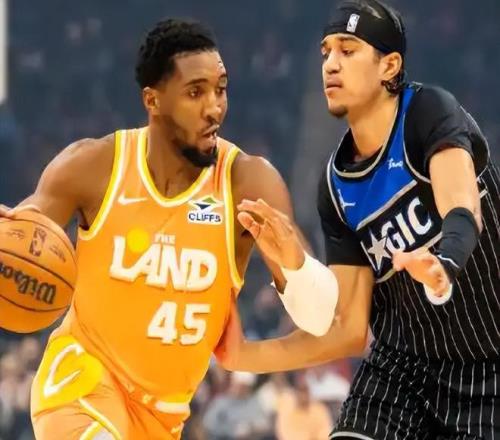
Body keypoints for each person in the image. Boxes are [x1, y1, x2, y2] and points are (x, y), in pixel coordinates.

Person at [0, 19, 341, 439]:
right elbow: (24, 233)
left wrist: (295, 266)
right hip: (81, 381)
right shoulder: (93, 166)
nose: (214, 107)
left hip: (164, 416)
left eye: (220, 89)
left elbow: (320, 319)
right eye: (195, 92)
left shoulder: (248, 182)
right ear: (153, 100)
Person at [215, 1, 500, 439]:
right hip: (403, 369)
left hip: (488, 362)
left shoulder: (427, 112)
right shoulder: (334, 185)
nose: (330, 64)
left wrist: (443, 265)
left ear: (390, 65)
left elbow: (463, 207)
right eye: (326, 52)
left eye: (347, 51)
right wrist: (243, 356)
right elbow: (347, 330)